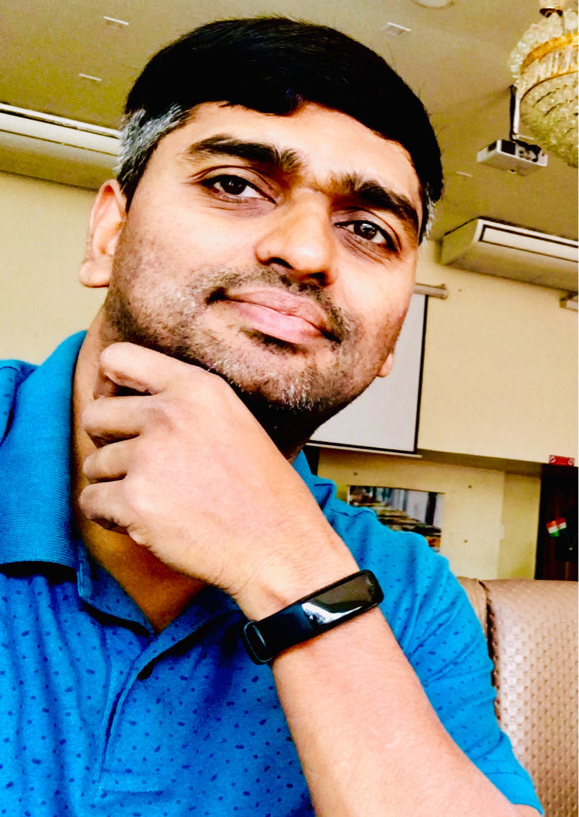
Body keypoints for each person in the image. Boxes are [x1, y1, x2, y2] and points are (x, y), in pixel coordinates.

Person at [0, 17, 542, 817]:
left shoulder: (406, 590)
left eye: (368, 230)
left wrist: (293, 570)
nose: (307, 252)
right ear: (110, 232)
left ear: (393, 340)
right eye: (234, 184)